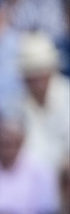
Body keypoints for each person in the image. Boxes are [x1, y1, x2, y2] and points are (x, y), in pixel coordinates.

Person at [16, 32, 69, 174]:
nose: (37, 78)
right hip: (31, 178)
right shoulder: (16, 106)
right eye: (31, 73)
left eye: (41, 71)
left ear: (52, 70)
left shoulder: (67, 97)